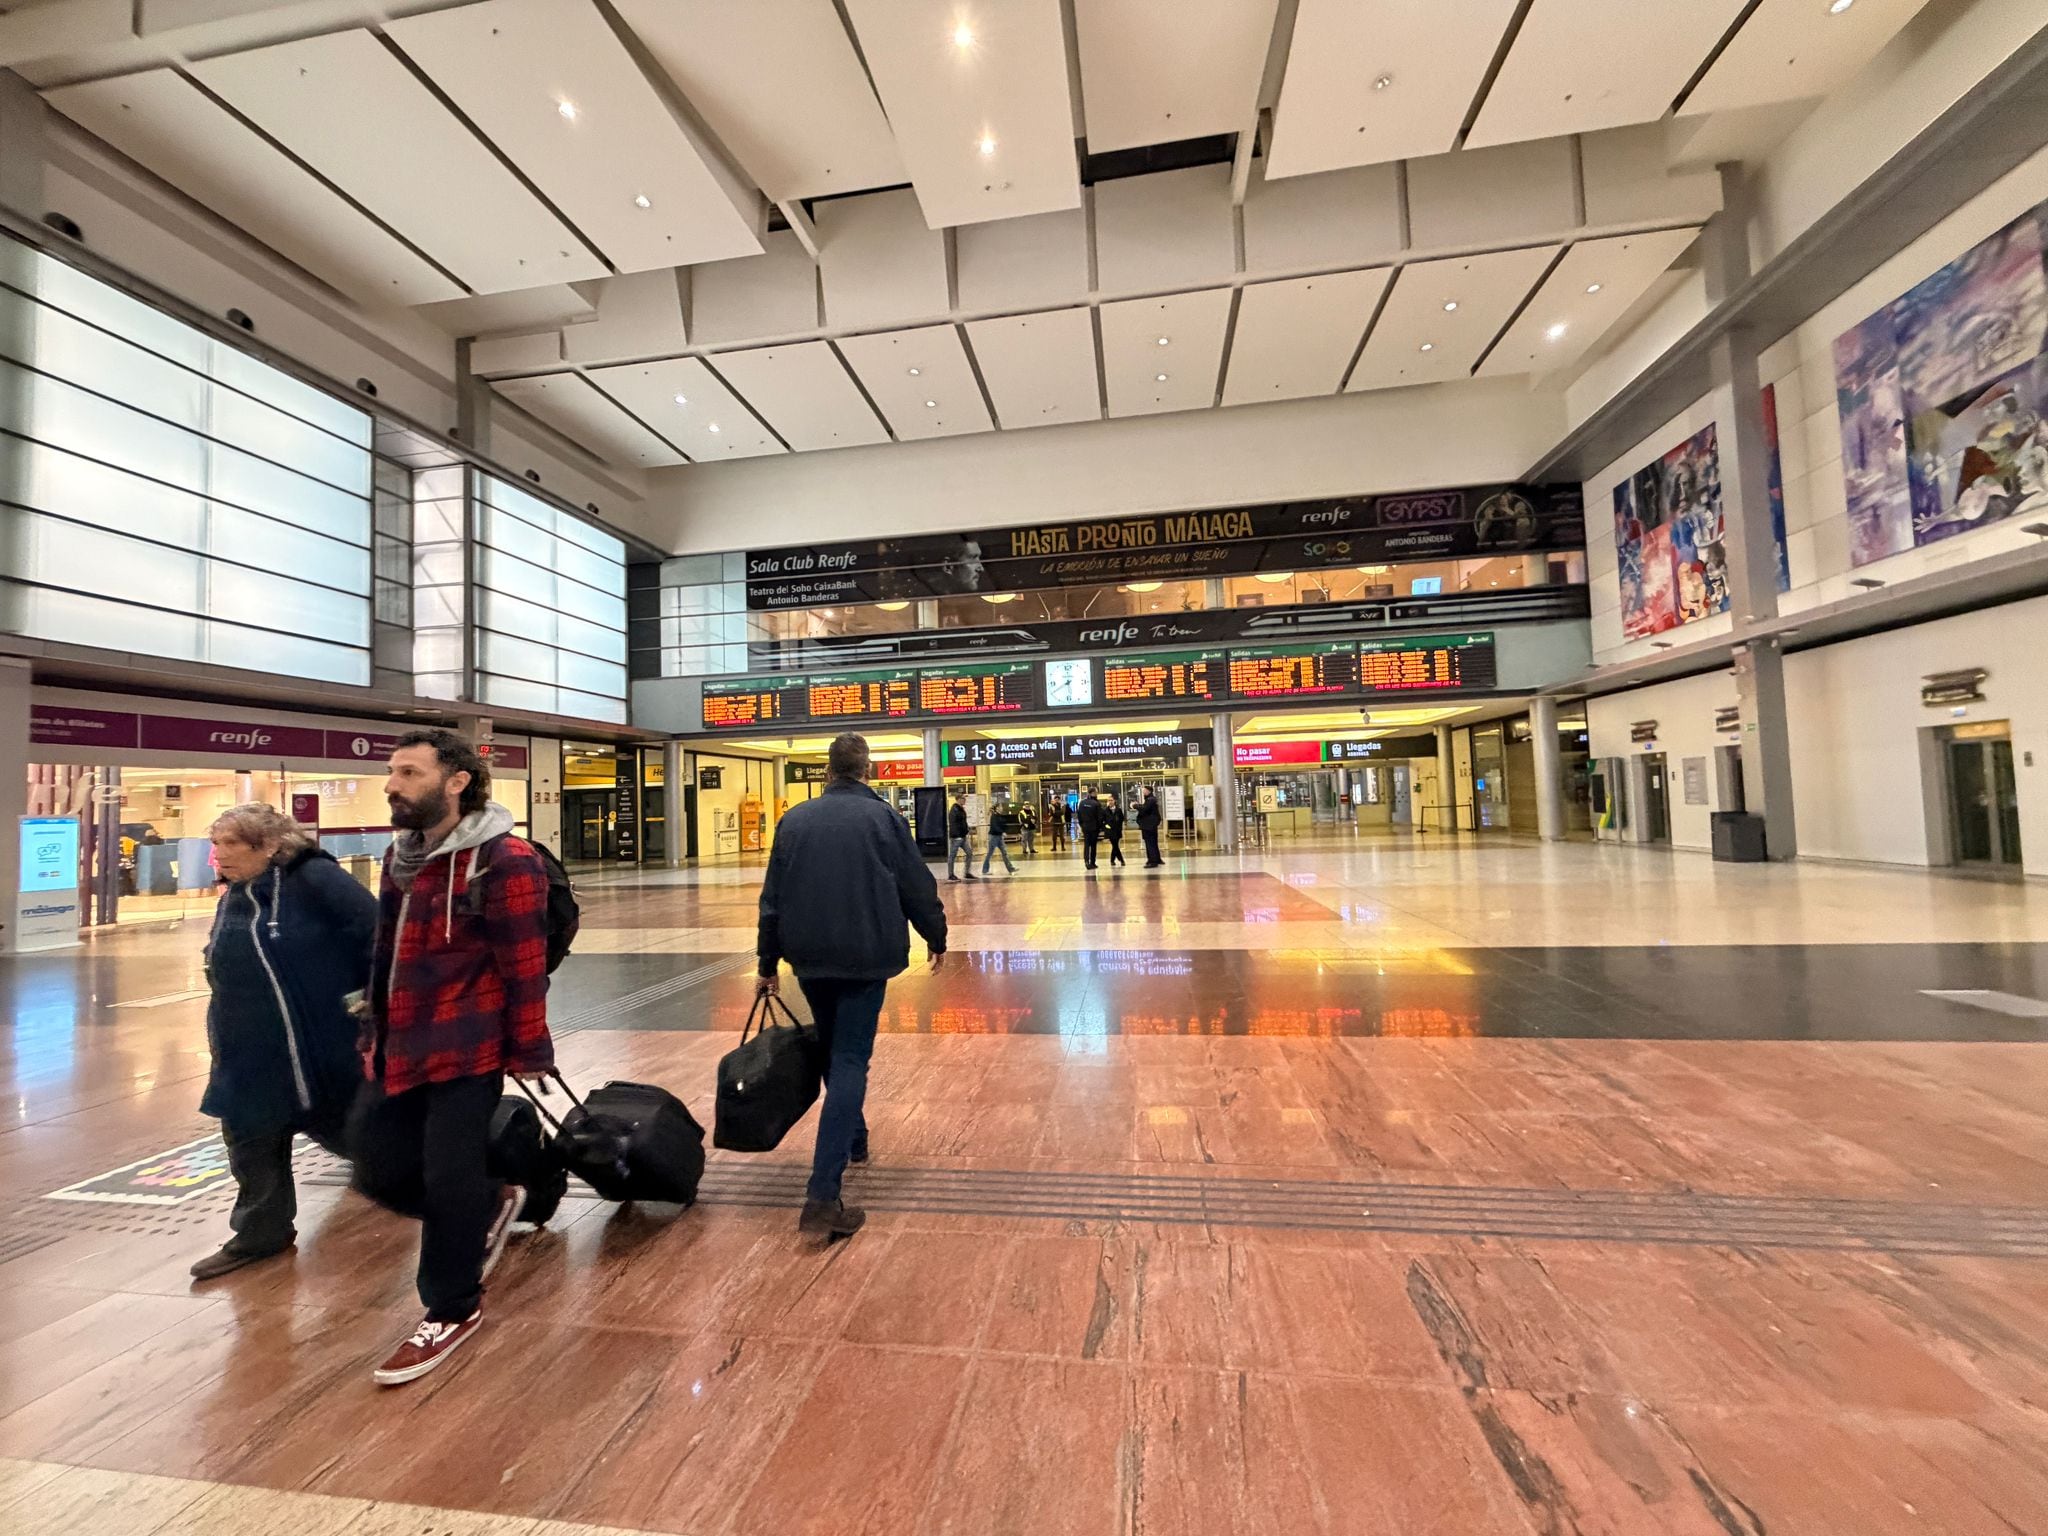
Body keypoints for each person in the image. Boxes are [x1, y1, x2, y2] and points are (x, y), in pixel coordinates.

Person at [350, 729, 555, 1387]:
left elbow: (524, 965)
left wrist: (529, 1047)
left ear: (458, 781)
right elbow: (383, 952)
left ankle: (451, 1306)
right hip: (401, 1040)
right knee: (377, 1168)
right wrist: (371, 1029)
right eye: (392, 772)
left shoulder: (506, 860)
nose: (392, 785)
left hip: (469, 1044)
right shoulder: (400, 855)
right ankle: (485, 1205)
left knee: (447, 1175)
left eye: (409, 773)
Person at [757, 733, 947, 1239]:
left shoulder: (795, 820)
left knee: (832, 1049)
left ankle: (854, 1137)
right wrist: (935, 934)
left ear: (828, 770)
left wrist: (767, 960)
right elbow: (916, 885)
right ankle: (822, 1194)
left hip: (810, 957)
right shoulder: (884, 819)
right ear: (868, 770)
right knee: (848, 1060)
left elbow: (772, 898)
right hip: (865, 956)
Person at [189, 803, 377, 1282]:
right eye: (216, 843)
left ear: (270, 845)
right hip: (248, 1049)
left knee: (364, 1137)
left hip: (320, 1046)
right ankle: (260, 1232)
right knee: (249, 1137)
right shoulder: (235, 893)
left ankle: (457, 1191)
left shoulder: (313, 878)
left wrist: (366, 997)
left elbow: (376, 930)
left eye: (232, 843)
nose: (219, 853)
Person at [945, 791, 977, 882]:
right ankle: (951, 875)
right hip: (957, 837)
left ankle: (967, 872)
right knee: (952, 855)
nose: (965, 800)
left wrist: (967, 830)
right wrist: (957, 834)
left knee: (969, 853)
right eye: (963, 798)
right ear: (958, 799)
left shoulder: (961, 809)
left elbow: (963, 822)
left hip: (963, 836)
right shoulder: (954, 810)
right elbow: (954, 824)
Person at [982, 798, 1017, 876]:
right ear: (997, 808)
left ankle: (1010, 868)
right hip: (993, 837)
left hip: (999, 837)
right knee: (990, 853)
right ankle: (985, 870)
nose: (1002, 808)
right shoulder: (994, 816)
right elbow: (995, 826)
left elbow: (1003, 825)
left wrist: (1004, 831)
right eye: (1000, 806)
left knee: (1004, 853)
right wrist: (1002, 832)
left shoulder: (1000, 816)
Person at [1136, 787, 1165, 869]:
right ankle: (1157, 859)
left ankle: (1153, 861)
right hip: (1151, 825)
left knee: (1150, 844)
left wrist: (1135, 806)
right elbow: (1145, 807)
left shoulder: (1150, 800)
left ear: (1149, 791)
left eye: (1144, 790)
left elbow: (1144, 809)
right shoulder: (1151, 799)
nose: (1143, 792)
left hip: (1148, 825)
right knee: (1153, 843)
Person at [1076, 791, 1104, 872]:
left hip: (1085, 827)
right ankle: (1093, 862)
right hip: (1094, 828)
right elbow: (1100, 817)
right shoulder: (1096, 803)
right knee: (1093, 845)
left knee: (1087, 844)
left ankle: (1086, 861)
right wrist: (1100, 827)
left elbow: (1079, 815)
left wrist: (1082, 825)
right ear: (1093, 793)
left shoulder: (1082, 803)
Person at [1105, 794, 1128, 868]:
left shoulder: (1118, 810)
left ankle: (1112, 860)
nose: (1110, 802)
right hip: (1110, 831)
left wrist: (1120, 827)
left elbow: (1121, 819)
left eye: (1111, 800)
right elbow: (1104, 821)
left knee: (1115, 846)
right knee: (1115, 845)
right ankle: (1121, 860)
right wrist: (1107, 827)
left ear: (1114, 801)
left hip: (1117, 831)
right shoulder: (1105, 811)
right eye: (1109, 800)